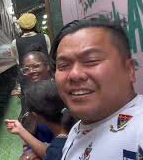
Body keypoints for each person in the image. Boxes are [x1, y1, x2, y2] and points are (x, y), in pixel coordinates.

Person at [50, 18, 143, 159]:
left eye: (91, 61)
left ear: (129, 70)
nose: (74, 75)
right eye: (63, 66)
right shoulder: (78, 128)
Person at [5, 80, 77, 160]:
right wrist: (20, 130)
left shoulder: (56, 150)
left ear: (34, 116)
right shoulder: (76, 124)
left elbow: (53, 154)